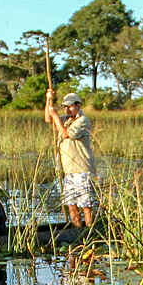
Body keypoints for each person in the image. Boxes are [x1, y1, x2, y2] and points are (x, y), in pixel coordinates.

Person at [44, 90, 97, 227]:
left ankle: (89, 230)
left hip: (83, 170)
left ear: (78, 106)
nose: (67, 109)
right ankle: (77, 231)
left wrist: (55, 115)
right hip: (69, 172)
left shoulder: (83, 121)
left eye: (70, 106)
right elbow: (48, 119)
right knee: (71, 205)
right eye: (65, 107)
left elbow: (66, 134)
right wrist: (48, 100)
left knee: (86, 205)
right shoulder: (66, 120)